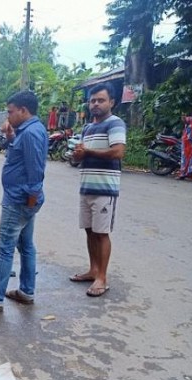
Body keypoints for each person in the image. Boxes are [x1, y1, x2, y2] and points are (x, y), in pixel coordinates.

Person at [0, 91, 48, 312]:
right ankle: (26, 291)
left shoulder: (31, 134)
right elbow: (18, 154)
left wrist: (29, 203)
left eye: (11, 112)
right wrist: (11, 136)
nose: (8, 116)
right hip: (22, 200)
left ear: (23, 110)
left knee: (5, 248)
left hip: (18, 201)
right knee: (25, 245)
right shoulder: (27, 131)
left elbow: (35, 174)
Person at [70, 82, 126, 297]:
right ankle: (93, 270)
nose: (95, 104)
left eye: (100, 100)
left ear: (111, 102)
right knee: (89, 230)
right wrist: (77, 155)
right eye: (92, 100)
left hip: (105, 189)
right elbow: (82, 155)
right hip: (87, 187)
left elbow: (118, 152)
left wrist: (88, 151)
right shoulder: (87, 127)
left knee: (102, 233)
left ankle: (102, 278)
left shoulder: (115, 123)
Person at [177, 105, 192, 180]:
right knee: (184, 158)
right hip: (186, 142)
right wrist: (183, 116)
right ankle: (182, 174)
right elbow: (185, 120)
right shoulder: (190, 119)